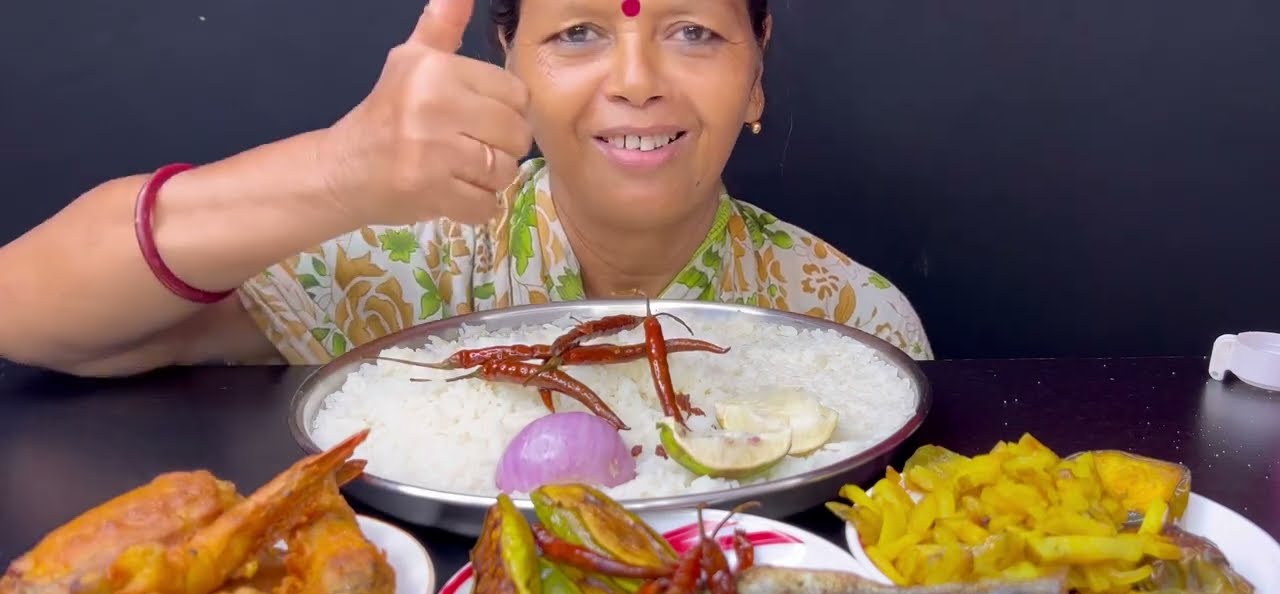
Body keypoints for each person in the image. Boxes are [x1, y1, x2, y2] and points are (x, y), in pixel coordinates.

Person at [0, 0, 932, 376]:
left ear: (757, 77)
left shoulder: (854, 326)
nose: (638, 79)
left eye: (693, 31)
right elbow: (24, 312)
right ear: (507, 63)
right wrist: (332, 174)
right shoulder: (407, 270)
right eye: (576, 32)